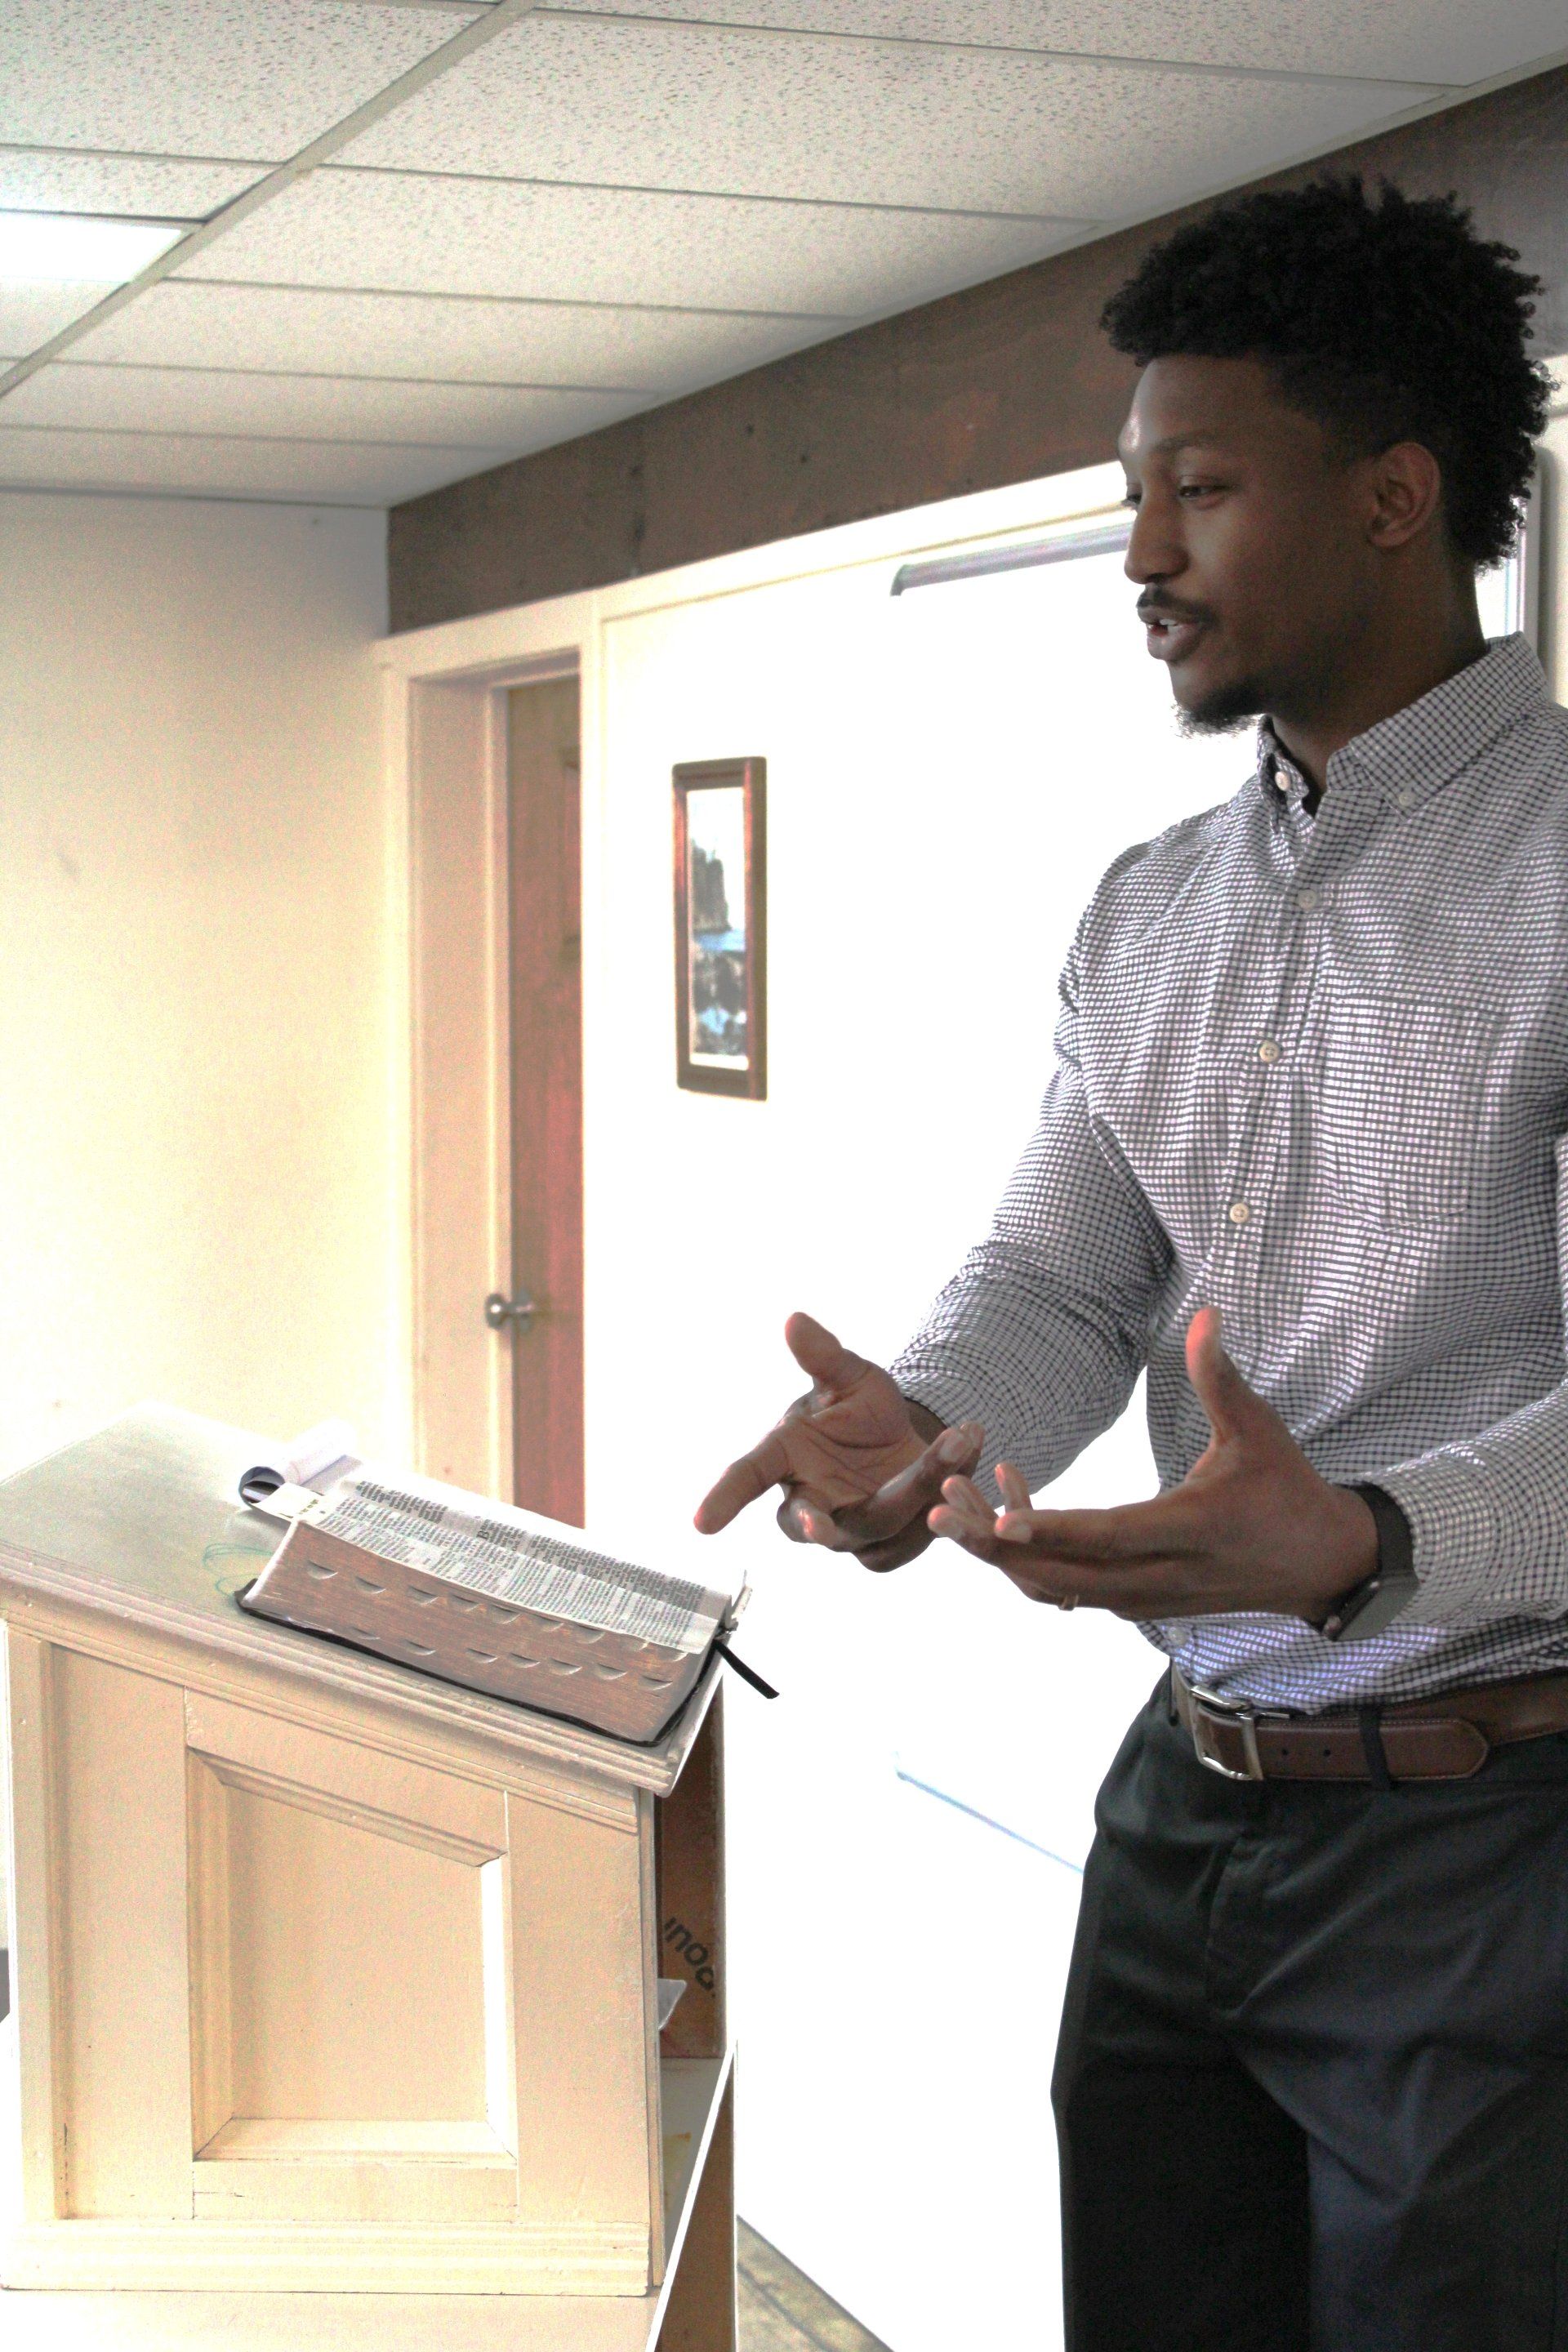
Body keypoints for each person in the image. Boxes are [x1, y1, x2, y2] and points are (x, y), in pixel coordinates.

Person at [694, 177, 1568, 2352]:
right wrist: (918, 1418)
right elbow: (1067, 1279)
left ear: (1393, 499)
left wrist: (1367, 1542)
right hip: (1191, 1809)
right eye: (1128, 496)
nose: (1142, 559)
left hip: (1504, 1837)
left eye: (1196, 492)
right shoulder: (1146, 907)